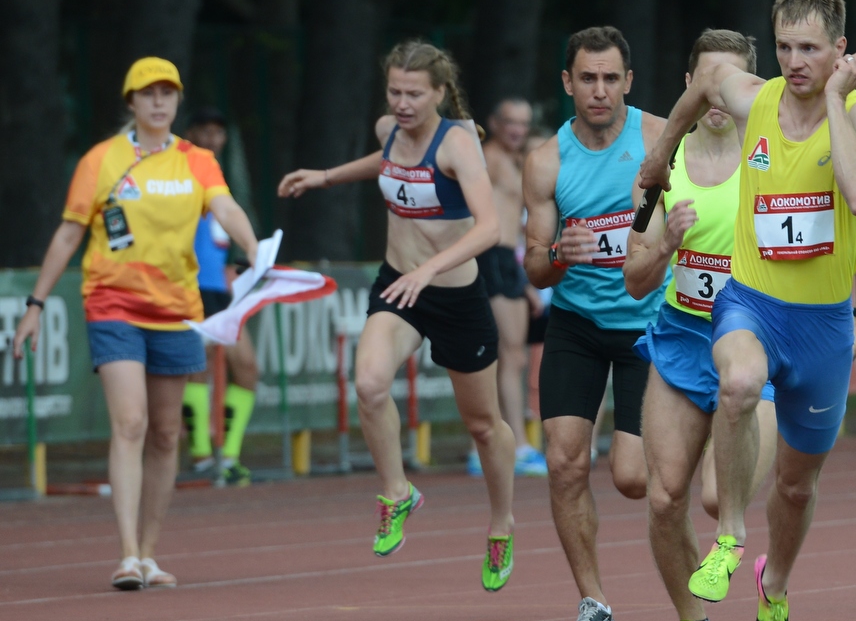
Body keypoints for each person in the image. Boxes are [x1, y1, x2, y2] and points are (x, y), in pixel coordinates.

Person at [639, 0, 856, 621]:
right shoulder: (755, 97)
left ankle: (773, 586)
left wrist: (834, 100)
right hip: (750, 302)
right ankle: (729, 538)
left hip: (822, 329)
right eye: (784, 47)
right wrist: (662, 154)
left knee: (798, 487)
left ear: (840, 48)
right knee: (740, 383)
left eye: (810, 49)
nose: (795, 62)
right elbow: (705, 82)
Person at [278, 40, 517, 591]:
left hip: (453, 296)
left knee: (483, 425)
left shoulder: (457, 145)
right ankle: (397, 491)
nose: (403, 103)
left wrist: (429, 269)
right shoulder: (388, 128)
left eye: (414, 94)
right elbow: (386, 163)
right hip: (398, 286)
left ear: (439, 93)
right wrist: (326, 176)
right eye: (395, 92)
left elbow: (490, 228)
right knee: (368, 384)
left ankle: (501, 523)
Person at [14, 57, 259, 589]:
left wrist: (253, 247)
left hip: (177, 309)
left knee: (167, 434)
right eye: (148, 93)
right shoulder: (101, 159)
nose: (158, 101)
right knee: (131, 422)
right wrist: (35, 305)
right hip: (113, 304)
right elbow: (68, 233)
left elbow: (226, 208)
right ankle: (126, 556)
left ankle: (149, 553)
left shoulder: (196, 160)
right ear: (131, 101)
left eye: (167, 92)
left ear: (177, 100)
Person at [624, 29, 778, 621]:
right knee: (664, 499)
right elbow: (634, 279)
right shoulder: (663, 167)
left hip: (756, 339)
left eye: (731, 82)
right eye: (707, 81)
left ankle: (773, 570)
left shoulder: (774, 159)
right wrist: (667, 244)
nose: (718, 96)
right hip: (682, 338)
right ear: (689, 86)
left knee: (718, 499)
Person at [524, 26, 666, 621]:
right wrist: (561, 252)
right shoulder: (546, 161)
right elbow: (534, 266)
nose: (599, 90)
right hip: (577, 324)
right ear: (568, 83)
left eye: (611, 78)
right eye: (588, 78)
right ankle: (594, 603)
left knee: (632, 478)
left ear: (628, 82)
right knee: (563, 462)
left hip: (648, 323)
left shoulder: (659, 138)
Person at [467, 98, 548, 477]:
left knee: (508, 356)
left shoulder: (514, 162)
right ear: (495, 123)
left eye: (524, 123)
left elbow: (516, 222)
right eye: (511, 122)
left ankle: (494, 444)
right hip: (491, 257)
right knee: (506, 355)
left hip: (507, 260)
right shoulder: (490, 159)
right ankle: (509, 446)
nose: (518, 129)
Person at [181, 107, 259, 486]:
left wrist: (237, 266)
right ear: (191, 134)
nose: (212, 139)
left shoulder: (222, 179)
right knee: (198, 366)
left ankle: (228, 455)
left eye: (218, 132)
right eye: (205, 131)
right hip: (189, 288)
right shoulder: (181, 173)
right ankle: (200, 456)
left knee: (246, 366)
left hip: (219, 290)